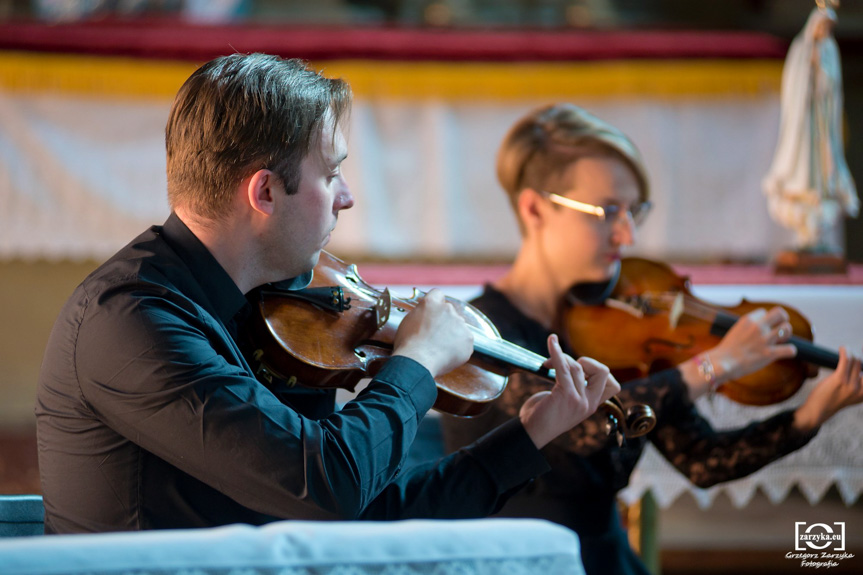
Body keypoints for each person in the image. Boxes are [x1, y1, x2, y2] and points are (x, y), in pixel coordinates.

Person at [35, 55, 619, 534]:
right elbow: (326, 487)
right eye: (332, 173)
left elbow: (369, 515)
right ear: (264, 192)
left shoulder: (276, 309)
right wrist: (415, 363)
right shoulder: (132, 321)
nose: (347, 197)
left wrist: (532, 433)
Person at [441, 103, 863, 575]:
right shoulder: (481, 330)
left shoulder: (621, 325)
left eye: (635, 211)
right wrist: (714, 366)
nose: (629, 234)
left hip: (606, 555)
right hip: (518, 562)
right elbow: (579, 427)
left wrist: (813, 413)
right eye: (608, 211)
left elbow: (703, 460)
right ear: (535, 208)